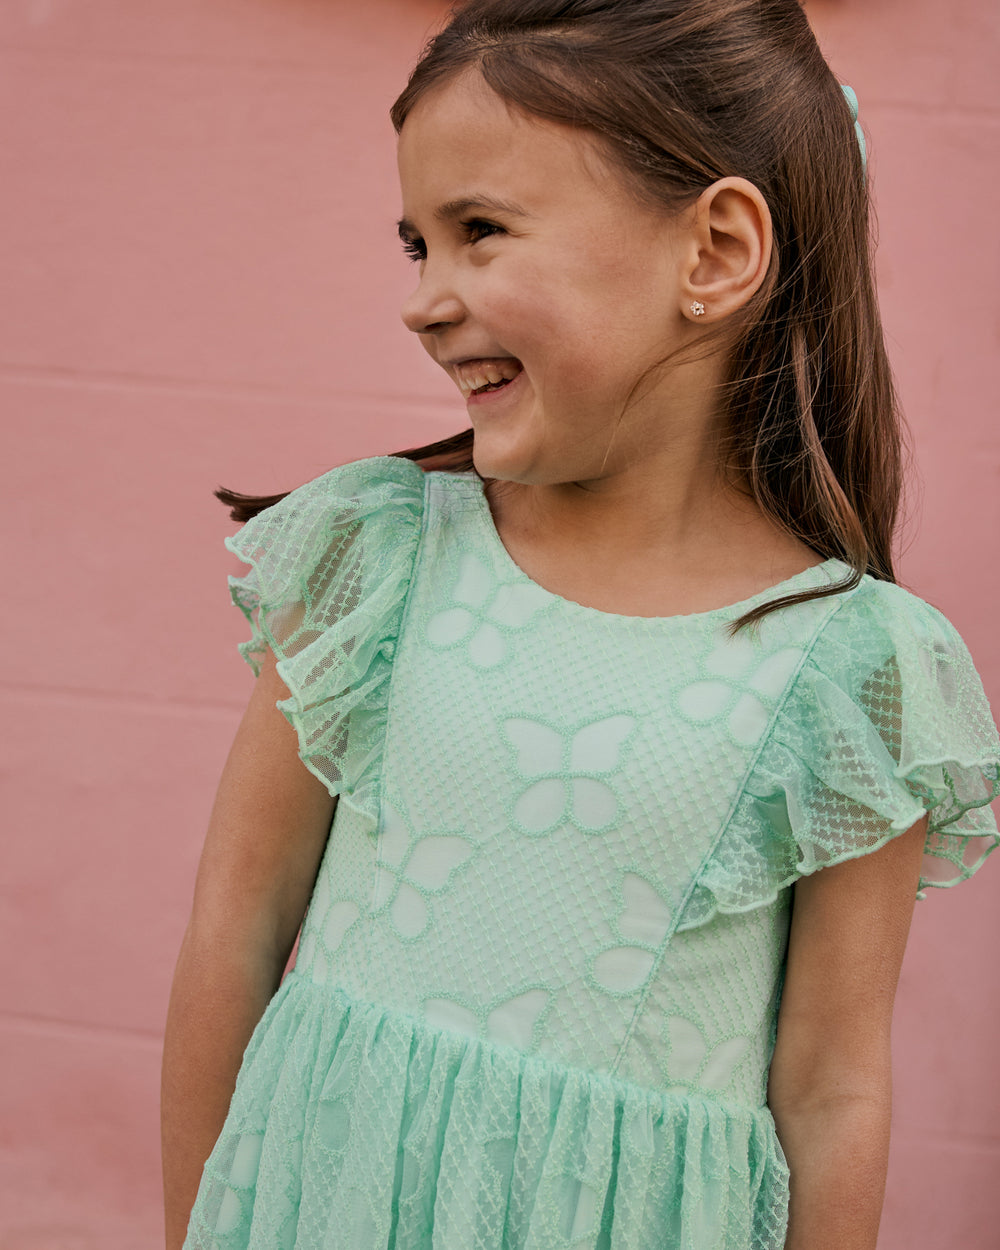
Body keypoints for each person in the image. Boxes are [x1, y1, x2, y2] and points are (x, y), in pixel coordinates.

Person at [161, 2, 1000, 1247]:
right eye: (417, 244)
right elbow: (234, 928)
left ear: (714, 250)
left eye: (481, 231)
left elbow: (831, 1088)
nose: (425, 301)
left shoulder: (852, 670)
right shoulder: (377, 558)